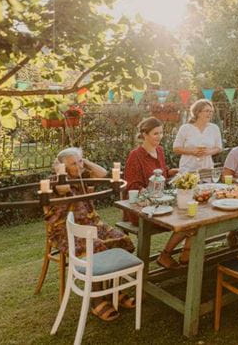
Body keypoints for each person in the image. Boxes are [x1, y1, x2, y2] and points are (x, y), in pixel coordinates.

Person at [45, 147, 135, 322]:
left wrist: (82, 161)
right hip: (66, 229)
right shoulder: (54, 181)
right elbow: (63, 189)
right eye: (73, 163)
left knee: (121, 240)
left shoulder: (83, 175)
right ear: (61, 167)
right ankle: (97, 299)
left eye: (79, 161)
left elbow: (103, 174)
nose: (78, 166)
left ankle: (115, 291)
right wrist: (60, 169)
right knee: (96, 248)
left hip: (92, 222)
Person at [124, 117, 191, 270]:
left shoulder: (159, 150)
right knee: (187, 220)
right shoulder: (135, 155)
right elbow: (132, 185)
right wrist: (152, 194)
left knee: (192, 215)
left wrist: (172, 171)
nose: (159, 137)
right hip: (142, 208)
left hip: (161, 202)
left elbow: (162, 174)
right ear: (144, 134)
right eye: (155, 133)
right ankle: (166, 255)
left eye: (161, 133)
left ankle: (186, 252)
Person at [173, 99, 223, 177]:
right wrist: (192, 151)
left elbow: (219, 147)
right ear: (198, 112)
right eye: (207, 111)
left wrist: (208, 152)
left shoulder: (214, 128)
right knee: (188, 189)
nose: (210, 114)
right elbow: (176, 148)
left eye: (211, 111)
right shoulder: (185, 128)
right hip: (188, 170)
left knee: (207, 189)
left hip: (207, 170)